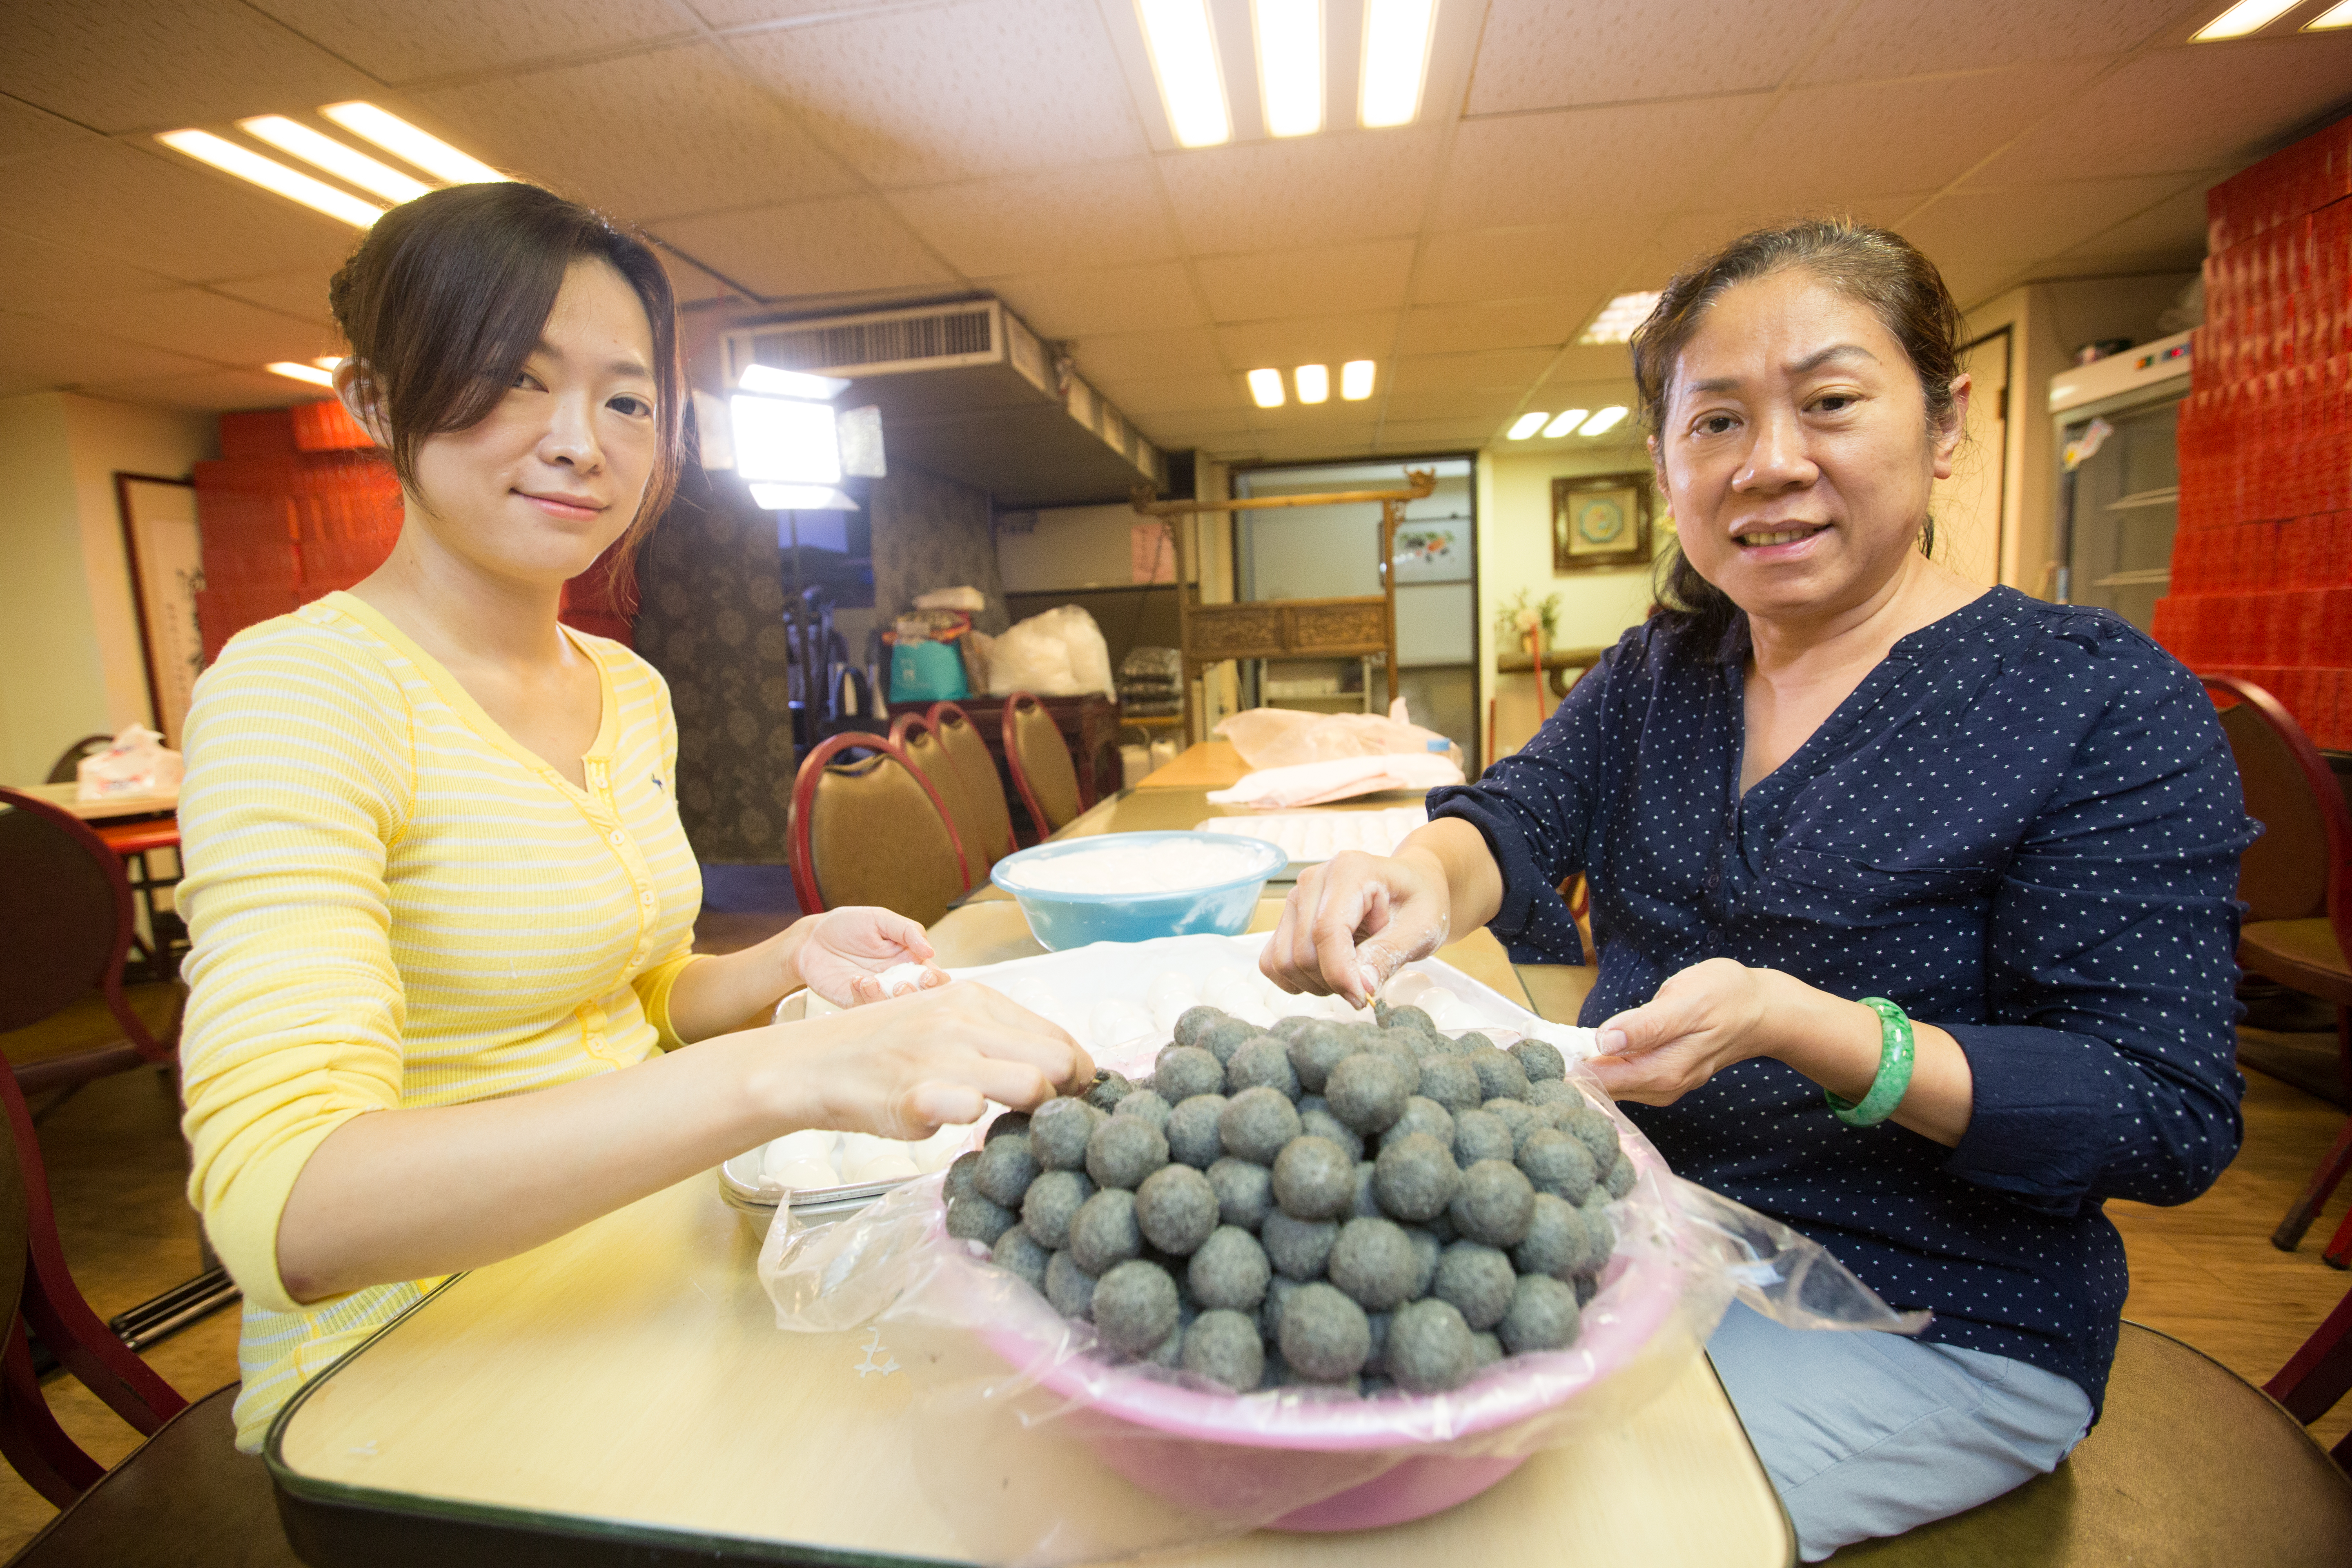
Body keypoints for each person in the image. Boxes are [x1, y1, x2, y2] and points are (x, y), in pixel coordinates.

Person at [1260, 219, 2252, 1559]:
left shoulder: (2098, 703)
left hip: (1932, 1315)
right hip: (1629, 1239)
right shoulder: (1662, 671)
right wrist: (1416, 878)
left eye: (1830, 402)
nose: (1770, 460)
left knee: (1488, 1533)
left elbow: (2161, 1111)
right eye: (1717, 420)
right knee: (1319, 1444)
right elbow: (1513, 818)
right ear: (1667, 461)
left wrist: (1808, 1027)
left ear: (1945, 423)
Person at [177, 183, 1091, 1452]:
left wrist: (784, 962)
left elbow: (628, 992)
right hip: (416, 1370)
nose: (580, 443)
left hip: (654, 1256)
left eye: (627, 401)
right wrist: (783, 1072)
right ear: (377, 402)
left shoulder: (624, 686)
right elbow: (289, 1212)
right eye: (514, 379)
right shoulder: (300, 691)